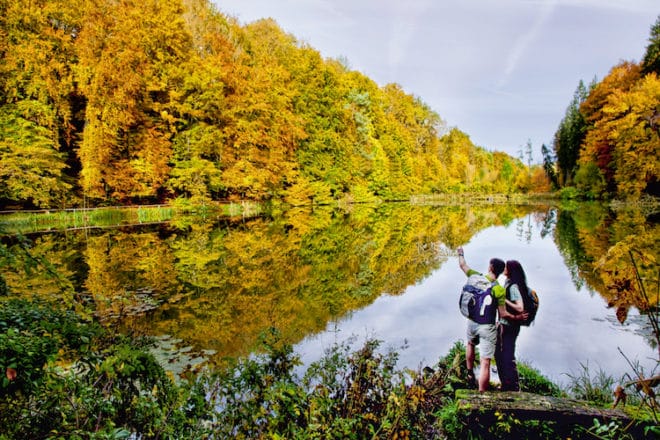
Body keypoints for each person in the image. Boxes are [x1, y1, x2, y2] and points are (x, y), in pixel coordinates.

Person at [457, 247, 505, 392]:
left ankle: (470, 373)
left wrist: (461, 253)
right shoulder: (499, 289)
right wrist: (516, 317)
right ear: (500, 272)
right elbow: (502, 313)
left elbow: (462, 265)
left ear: (490, 267)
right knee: (485, 362)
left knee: (470, 344)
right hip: (487, 326)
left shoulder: (476, 276)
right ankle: (482, 395)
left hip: (472, 321)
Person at [495, 259, 528, 392]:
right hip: (504, 324)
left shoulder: (513, 286)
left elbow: (520, 308)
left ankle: (513, 387)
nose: (504, 268)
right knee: (499, 354)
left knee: (508, 355)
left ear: (510, 270)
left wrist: (505, 300)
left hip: (509, 327)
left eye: (506, 267)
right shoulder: (508, 283)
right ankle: (506, 384)